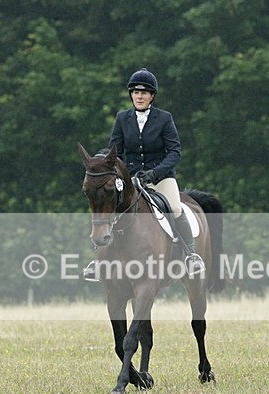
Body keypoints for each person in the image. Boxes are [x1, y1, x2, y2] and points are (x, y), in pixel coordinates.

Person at [84, 68, 204, 281]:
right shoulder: (122, 118)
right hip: (129, 179)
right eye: (136, 93)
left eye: (144, 93)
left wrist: (155, 173)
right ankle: (99, 260)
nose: (139, 96)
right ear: (131, 95)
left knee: (175, 207)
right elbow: (115, 151)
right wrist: (99, 160)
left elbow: (175, 151)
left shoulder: (164, 119)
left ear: (152, 96)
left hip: (160, 178)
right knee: (107, 206)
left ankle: (191, 255)